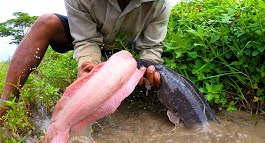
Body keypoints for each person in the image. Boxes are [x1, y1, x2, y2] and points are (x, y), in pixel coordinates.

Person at [0, 0, 171, 116]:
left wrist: (149, 70)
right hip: (86, 36)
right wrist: (89, 65)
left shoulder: (159, 4)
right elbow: (87, 40)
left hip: (124, 47)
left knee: (149, 71)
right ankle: (6, 104)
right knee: (46, 22)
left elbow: (151, 47)